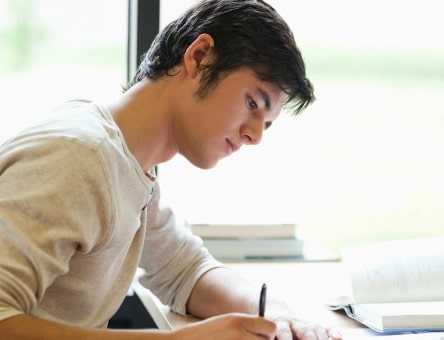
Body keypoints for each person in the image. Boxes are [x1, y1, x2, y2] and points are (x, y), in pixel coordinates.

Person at [0, 0, 341, 339]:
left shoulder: (130, 163)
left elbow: (183, 269)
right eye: (252, 103)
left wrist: (276, 315)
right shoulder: (79, 158)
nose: (254, 136)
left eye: (265, 124)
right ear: (199, 57)